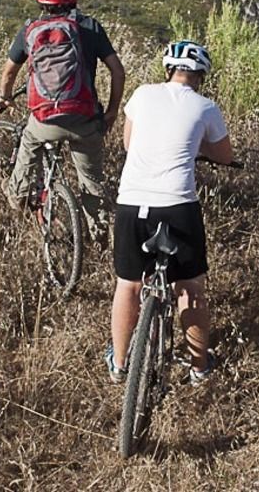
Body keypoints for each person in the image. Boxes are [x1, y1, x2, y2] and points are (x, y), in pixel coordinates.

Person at [106, 40, 233, 386]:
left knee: (128, 285)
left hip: (132, 202)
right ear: (201, 76)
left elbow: (128, 144)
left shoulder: (142, 94)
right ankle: (199, 367)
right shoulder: (206, 107)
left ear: (168, 70)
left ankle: (119, 363)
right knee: (190, 286)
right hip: (178, 205)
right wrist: (197, 146)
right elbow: (224, 156)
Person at [0, 0, 125, 242]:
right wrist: (112, 113)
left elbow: (8, 72)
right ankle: (99, 239)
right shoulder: (89, 26)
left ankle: (21, 200)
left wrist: (5, 97)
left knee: (29, 140)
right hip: (85, 121)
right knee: (92, 184)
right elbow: (117, 71)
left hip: (44, 121)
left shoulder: (30, 29)